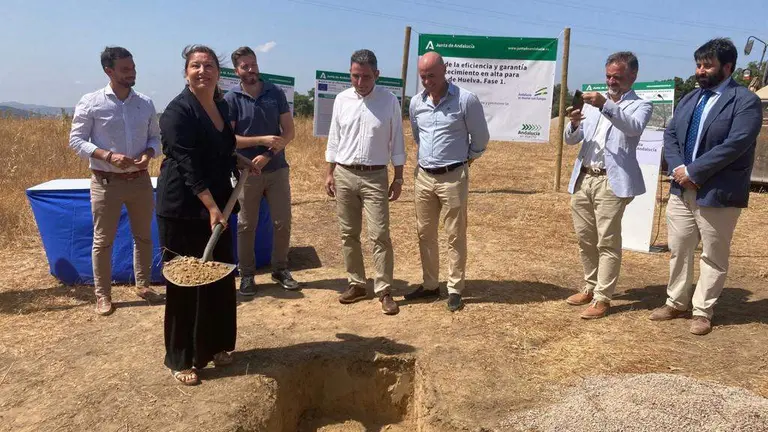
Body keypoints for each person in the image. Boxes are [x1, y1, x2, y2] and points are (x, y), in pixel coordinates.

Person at [156, 45, 256, 385]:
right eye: (195, 65)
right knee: (186, 282)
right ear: (186, 72)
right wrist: (211, 206)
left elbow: (223, 149)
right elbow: (186, 164)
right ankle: (182, 357)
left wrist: (241, 162)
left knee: (219, 277)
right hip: (184, 208)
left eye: (209, 65)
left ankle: (215, 346)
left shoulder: (221, 104)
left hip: (219, 205)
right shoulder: (177, 111)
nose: (203, 71)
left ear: (218, 71)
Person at [650, 38, 763, 335]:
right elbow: (671, 134)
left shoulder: (744, 100)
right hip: (681, 189)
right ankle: (676, 302)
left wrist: (695, 171)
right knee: (679, 248)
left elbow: (736, 143)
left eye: (707, 65)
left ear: (727, 67)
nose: (700, 71)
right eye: (698, 65)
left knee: (713, 253)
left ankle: (703, 310)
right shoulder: (691, 99)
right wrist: (678, 169)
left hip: (718, 191)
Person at [69, 46, 163, 316]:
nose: (132, 73)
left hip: (140, 181)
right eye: (125, 69)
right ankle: (103, 295)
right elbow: (76, 140)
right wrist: (108, 156)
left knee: (143, 236)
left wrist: (148, 154)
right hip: (105, 182)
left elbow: (155, 139)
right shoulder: (91, 102)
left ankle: (143, 285)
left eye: (132, 67)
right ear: (108, 71)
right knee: (103, 241)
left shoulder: (144, 103)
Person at [563, 52, 652, 319]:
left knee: (607, 241)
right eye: (608, 76)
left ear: (633, 76)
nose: (612, 81)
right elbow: (572, 140)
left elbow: (633, 128)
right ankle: (590, 287)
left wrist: (605, 105)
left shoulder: (640, 105)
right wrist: (575, 122)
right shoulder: (592, 104)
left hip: (611, 182)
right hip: (584, 177)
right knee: (584, 238)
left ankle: (603, 298)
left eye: (618, 77)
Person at [403, 51, 489, 312]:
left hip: (453, 177)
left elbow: (481, 140)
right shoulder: (416, 103)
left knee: (455, 234)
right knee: (424, 233)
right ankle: (430, 285)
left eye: (431, 75)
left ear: (445, 70)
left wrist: (464, 161)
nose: (427, 81)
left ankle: (454, 288)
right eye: (422, 76)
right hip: (424, 177)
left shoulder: (466, 100)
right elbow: (418, 137)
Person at [325, 49, 406, 316]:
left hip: (375, 176)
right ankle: (357, 284)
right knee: (349, 234)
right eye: (355, 76)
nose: (360, 83)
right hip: (344, 174)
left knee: (380, 235)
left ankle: (384, 290)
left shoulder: (389, 101)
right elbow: (334, 138)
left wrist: (399, 176)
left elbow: (397, 140)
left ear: (377, 75)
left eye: (366, 77)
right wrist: (330, 172)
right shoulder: (341, 99)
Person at [224, 46, 299, 296]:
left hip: (277, 168)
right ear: (237, 71)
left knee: (282, 222)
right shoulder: (231, 98)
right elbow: (229, 140)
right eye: (245, 66)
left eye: (253, 64)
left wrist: (268, 153)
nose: (251, 69)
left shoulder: (274, 92)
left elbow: (288, 132)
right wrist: (263, 139)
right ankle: (247, 274)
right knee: (246, 225)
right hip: (247, 172)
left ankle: (280, 269)